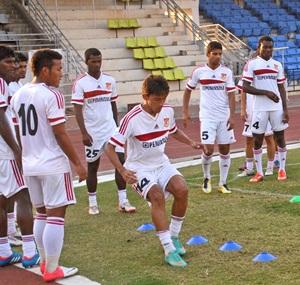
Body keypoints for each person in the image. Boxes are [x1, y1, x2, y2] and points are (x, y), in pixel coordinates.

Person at [105, 75, 202, 267]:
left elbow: (173, 131)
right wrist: (122, 170)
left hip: (161, 163)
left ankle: (174, 237)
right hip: (139, 168)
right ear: (145, 96)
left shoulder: (167, 111)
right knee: (157, 196)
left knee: (182, 189)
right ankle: (168, 249)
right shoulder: (131, 118)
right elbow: (109, 147)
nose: (161, 103)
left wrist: (190, 142)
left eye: (164, 98)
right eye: (157, 99)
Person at [11, 49, 87, 282]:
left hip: (30, 164)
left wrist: (24, 157)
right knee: (56, 216)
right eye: (58, 68)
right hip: (52, 164)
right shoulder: (52, 95)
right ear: (45, 70)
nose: (61, 74)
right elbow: (60, 133)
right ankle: (52, 267)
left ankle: (45, 263)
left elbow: (17, 131)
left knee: (41, 214)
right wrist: (77, 162)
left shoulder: (18, 94)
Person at [72, 48, 135, 215]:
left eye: (99, 61)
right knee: (93, 167)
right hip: (93, 132)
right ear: (86, 62)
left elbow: (113, 104)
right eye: (93, 61)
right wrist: (84, 133)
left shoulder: (110, 80)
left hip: (111, 130)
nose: (97, 64)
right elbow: (77, 109)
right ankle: (93, 203)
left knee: (120, 162)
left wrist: (117, 127)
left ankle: (123, 201)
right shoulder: (80, 83)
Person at [0, 45, 39, 268]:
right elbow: (1, 118)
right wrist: (16, 149)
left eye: (15, 62)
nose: (13, 66)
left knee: (1, 200)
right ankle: (29, 252)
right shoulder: (0, 84)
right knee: (24, 195)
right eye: (8, 62)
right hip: (5, 150)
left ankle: (4, 251)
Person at [183, 41, 236, 194]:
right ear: (208, 54)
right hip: (207, 117)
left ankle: (223, 183)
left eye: (220, 54)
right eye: (214, 54)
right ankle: (207, 177)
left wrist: (232, 116)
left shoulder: (226, 72)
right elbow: (187, 91)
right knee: (208, 149)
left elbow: (232, 95)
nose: (217, 56)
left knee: (225, 149)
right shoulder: (199, 72)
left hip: (223, 116)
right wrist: (185, 112)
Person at [242, 36, 288, 182]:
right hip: (259, 108)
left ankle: (282, 169)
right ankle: (259, 173)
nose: (268, 50)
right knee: (257, 140)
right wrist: (266, 93)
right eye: (265, 47)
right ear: (259, 48)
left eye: (270, 47)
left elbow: (281, 88)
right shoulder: (252, 64)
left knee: (280, 137)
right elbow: (245, 86)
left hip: (276, 108)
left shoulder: (277, 65)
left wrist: (285, 109)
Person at [7, 52, 29, 247]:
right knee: (21, 191)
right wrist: (17, 147)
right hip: (8, 147)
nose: (19, 69)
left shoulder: (18, 86)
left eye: (22, 66)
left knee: (10, 191)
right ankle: (13, 233)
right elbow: (10, 120)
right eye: (16, 65)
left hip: (9, 145)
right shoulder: (7, 86)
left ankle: (10, 231)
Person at [236, 79, 276, 177]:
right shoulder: (247, 71)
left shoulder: (264, 70)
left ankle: (270, 167)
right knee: (249, 140)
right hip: (250, 112)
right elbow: (243, 91)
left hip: (264, 109)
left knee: (269, 138)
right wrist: (243, 109)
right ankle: (249, 168)